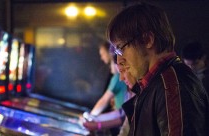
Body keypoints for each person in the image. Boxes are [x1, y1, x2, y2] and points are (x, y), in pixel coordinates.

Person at [107, 3, 209, 136]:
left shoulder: (172, 86)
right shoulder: (155, 84)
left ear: (148, 40)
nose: (119, 60)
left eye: (120, 49)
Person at [82, 52, 128, 135]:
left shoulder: (117, 78)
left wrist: (95, 121)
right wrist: (94, 119)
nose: (121, 78)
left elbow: (104, 101)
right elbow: (120, 113)